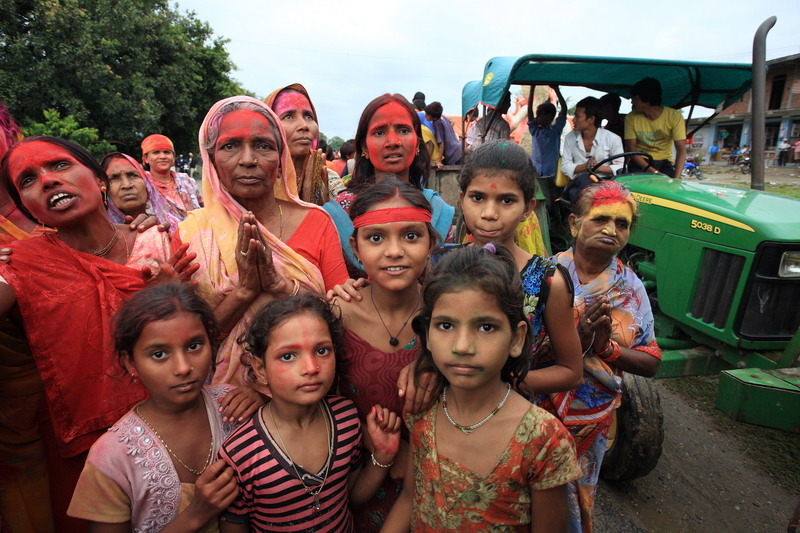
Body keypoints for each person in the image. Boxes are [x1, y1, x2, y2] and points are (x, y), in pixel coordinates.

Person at [0, 136, 194, 530]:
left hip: (176, 429)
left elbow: (204, 337)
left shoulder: (156, 241)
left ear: (98, 180)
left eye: (59, 165)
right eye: (28, 180)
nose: (48, 180)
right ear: (27, 209)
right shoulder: (21, 264)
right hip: (87, 453)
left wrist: (169, 301)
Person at [382, 245, 582, 531]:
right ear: (426, 335)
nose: (463, 346)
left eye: (486, 327)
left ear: (516, 338)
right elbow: (409, 499)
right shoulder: (424, 411)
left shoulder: (543, 440)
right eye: (446, 325)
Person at [178, 96, 349, 386]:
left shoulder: (317, 222)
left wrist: (280, 287)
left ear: (281, 159)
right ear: (211, 159)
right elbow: (189, 343)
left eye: (263, 146)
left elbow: (341, 321)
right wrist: (244, 291)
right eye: (230, 146)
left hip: (307, 388)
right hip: (220, 399)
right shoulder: (191, 234)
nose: (247, 160)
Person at [67, 282, 244, 531]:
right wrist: (196, 514)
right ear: (130, 362)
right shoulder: (112, 456)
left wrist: (265, 399)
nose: (183, 367)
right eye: (159, 354)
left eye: (194, 346)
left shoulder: (236, 407)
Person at [219, 294, 401, 532]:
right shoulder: (241, 454)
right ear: (260, 369)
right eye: (288, 356)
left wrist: (382, 457)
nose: (311, 368)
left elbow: (350, 498)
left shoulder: (346, 418)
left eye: (322, 351)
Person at [542, 181, 662, 532]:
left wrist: (605, 348)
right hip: (539, 411)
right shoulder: (546, 275)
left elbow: (651, 362)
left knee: (576, 502)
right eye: (601, 219)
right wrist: (570, 341)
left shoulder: (631, 289)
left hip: (591, 419)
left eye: (622, 224)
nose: (611, 229)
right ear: (574, 224)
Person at [333, 178, 438, 530]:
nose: (394, 251)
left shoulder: (450, 316)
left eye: (411, 236)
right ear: (355, 247)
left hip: (437, 485)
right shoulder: (334, 316)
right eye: (376, 238)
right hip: (355, 483)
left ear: (431, 243)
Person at [458, 140, 582, 395]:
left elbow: (571, 371)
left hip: (512, 415)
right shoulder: (442, 265)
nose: (489, 213)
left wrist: (500, 384)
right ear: (462, 199)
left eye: (506, 200)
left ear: (527, 208)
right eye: (478, 198)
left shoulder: (548, 280)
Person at [322, 94, 454, 271]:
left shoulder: (437, 210)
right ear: (364, 148)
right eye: (379, 132)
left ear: (417, 145)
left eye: (403, 130)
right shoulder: (336, 215)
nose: (393, 142)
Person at [264, 83, 345, 204]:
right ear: (267, 126)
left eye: (308, 116)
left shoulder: (329, 179)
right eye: (288, 116)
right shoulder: (257, 178)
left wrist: (325, 206)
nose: (304, 125)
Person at [102, 152, 184, 231]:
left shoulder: (175, 225)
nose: (127, 185)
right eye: (114, 178)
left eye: (133, 175)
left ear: (147, 184)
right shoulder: (101, 235)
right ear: (103, 188)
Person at [623, 77, 686, 180]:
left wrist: (677, 179)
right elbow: (632, 150)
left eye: (635, 99)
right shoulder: (631, 118)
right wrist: (655, 173)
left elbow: (681, 150)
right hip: (640, 162)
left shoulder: (674, 116)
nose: (632, 102)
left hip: (665, 163)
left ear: (646, 98)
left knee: (667, 193)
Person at [562, 96, 624, 180]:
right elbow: (565, 166)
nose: (573, 120)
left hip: (605, 183)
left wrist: (598, 167)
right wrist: (584, 166)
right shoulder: (570, 137)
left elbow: (620, 167)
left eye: (577, 116)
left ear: (591, 119)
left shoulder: (613, 139)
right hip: (579, 182)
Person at [141, 133, 203, 216]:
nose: (162, 156)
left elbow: (203, 206)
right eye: (156, 152)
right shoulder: (142, 185)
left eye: (167, 152)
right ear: (145, 158)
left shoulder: (187, 180)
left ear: (173, 157)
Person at [527, 85, 568, 209]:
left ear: (550, 117)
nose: (538, 118)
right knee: (542, 199)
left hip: (553, 172)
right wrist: (532, 90)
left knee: (555, 198)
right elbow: (530, 113)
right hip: (537, 172)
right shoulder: (535, 130)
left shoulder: (556, 130)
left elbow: (564, 110)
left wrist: (557, 90)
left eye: (541, 115)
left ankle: (555, 220)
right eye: (538, 115)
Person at [424, 101, 463, 167]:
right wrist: (448, 133)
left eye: (427, 115)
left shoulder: (437, 123)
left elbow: (441, 143)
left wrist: (438, 161)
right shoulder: (442, 117)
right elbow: (452, 122)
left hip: (453, 153)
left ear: (434, 117)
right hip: (458, 147)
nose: (425, 116)